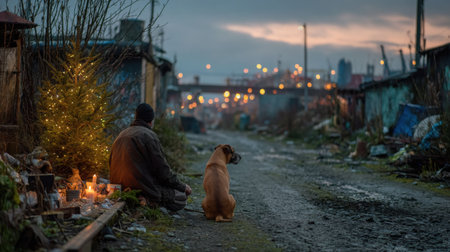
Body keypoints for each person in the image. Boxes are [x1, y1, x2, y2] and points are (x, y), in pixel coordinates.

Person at [109, 103, 192, 211]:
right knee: (182, 197)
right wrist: (183, 187)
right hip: (142, 188)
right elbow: (163, 172)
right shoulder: (149, 136)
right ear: (151, 121)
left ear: (136, 117)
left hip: (118, 189)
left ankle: (142, 198)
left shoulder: (121, 134)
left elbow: (110, 163)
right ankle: (148, 201)